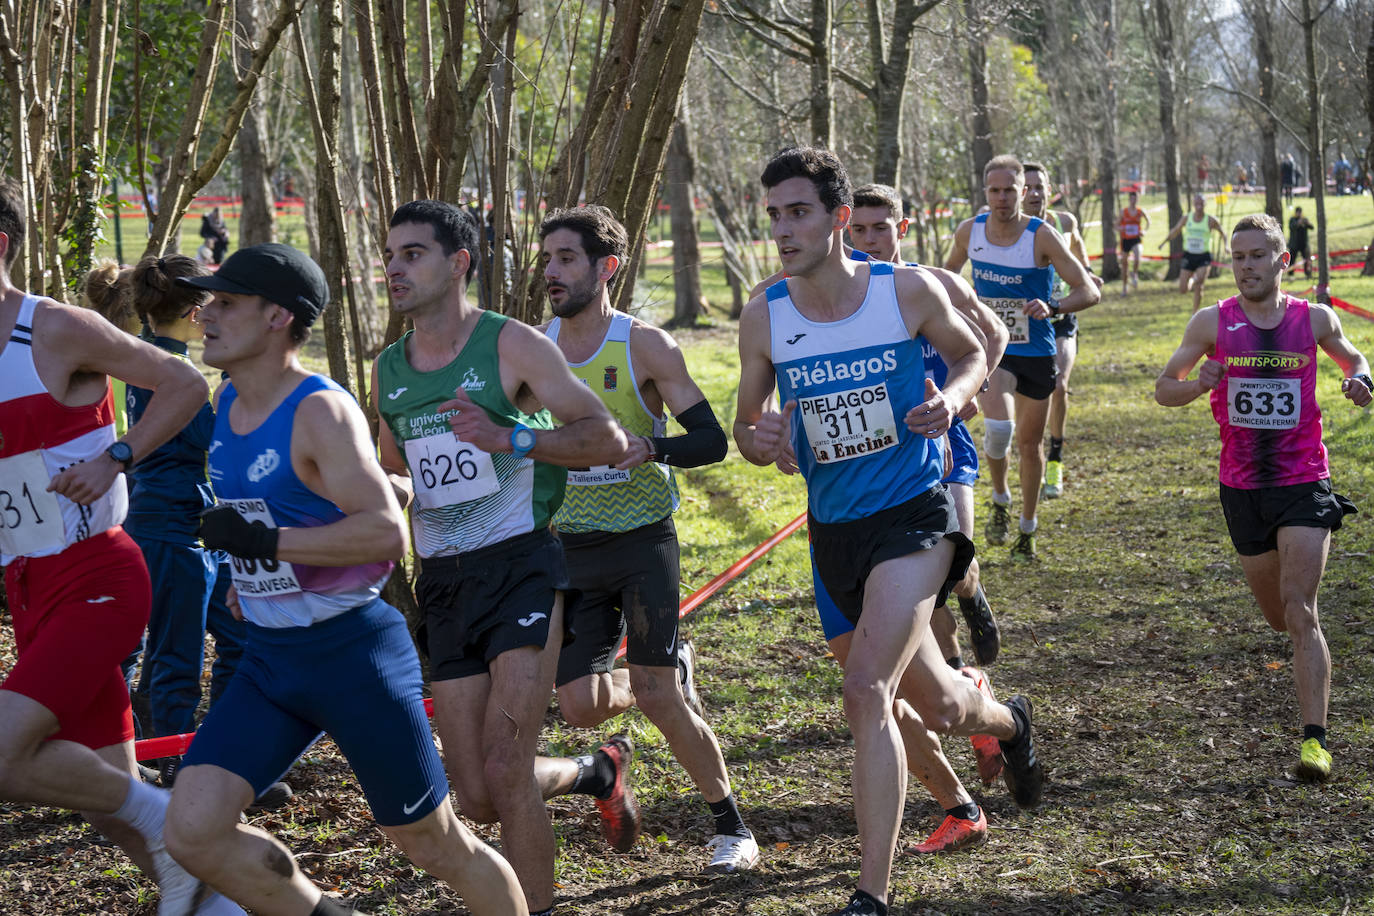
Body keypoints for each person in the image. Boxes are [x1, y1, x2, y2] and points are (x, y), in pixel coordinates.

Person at [159, 242, 528, 916]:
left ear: (277, 317)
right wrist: (253, 572)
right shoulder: (229, 402)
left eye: (225, 301)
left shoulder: (318, 410)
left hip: (351, 655)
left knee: (432, 843)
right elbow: (279, 515)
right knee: (192, 828)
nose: (204, 313)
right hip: (272, 662)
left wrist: (267, 542)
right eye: (206, 300)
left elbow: (386, 532)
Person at [736, 147, 1044, 916]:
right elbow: (748, 421)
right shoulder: (764, 312)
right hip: (832, 530)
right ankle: (1009, 722)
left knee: (864, 688)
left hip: (914, 514)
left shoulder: (903, 290)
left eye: (798, 211)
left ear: (840, 219)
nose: (782, 228)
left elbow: (974, 353)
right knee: (937, 705)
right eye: (774, 214)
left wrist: (957, 397)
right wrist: (761, 439)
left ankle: (869, 894)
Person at [373, 200, 631, 916]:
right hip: (446, 583)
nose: (394, 267)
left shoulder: (510, 346)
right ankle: (593, 771)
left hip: (520, 562)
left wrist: (511, 438)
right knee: (479, 796)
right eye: (389, 255)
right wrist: (375, 495)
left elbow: (605, 438)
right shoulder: (388, 369)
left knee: (506, 765)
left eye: (412, 254)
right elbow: (403, 470)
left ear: (459, 263)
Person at [0, 175, 240, 914]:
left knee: (8, 756)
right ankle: (222, 902)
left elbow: (183, 384)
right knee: (114, 801)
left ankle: (170, 821)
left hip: (99, 575)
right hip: (30, 590)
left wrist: (117, 456)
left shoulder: (54, 328)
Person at [536, 204, 762, 873]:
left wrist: (651, 445)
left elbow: (712, 441)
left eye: (566, 259)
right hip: (568, 546)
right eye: (547, 259)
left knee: (659, 696)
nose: (551, 271)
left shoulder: (645, 345)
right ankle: (615, 753)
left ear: (606, 267)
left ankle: (732, 828)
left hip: (642, 541)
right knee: (578, 707)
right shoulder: (531, 347)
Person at [1155, 213, 1371, 783]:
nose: (1246, 266)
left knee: (1301, 610)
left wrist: (1360, 383)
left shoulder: (1313, 318)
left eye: (1257, 256)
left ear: (1282, 261)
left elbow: (1356, 360)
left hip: (1304, 481)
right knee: (1278, 618)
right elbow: (1163, 387)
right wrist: (1198, 383)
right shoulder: (1212, 322)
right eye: (1239, 256)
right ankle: (1307, 678)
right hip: (1243, 487)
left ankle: (1314, 742)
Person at [120, 255, 256, 795]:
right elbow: (211, 439)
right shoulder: (174, 372)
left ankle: (213, 755)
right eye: (212, 302)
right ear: (195, 311)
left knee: (240, 638)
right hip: (170, 526)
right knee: (176, 655)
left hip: (194, 525)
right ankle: (178, 767)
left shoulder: (146, 359)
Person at [945, 154, 1101, 560]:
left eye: (1010, 190)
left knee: (1030, 446)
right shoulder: (969, 232)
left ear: (1024, 191)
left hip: (1037, 351)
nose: (1002, 198)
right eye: (994, 190)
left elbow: (1089, 291)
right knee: (998, 433)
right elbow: (942, 282)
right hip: (995, 352)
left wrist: (1054, 306)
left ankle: (1027, 529)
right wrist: (965, 305)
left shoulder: (1042, 235)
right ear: (985, 192)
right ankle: (999, 497)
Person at [1022, 162, 1104, 501]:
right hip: (1024, 323)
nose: (1034, 193)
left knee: (1059, 384)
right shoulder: (1010, 229)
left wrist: (1089, 276)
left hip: (1061, 317)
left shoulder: (1065, 223)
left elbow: (1082, 265)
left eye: (1040, 186)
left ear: (1048, 188)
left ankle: (1054, 457)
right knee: (1027, 399)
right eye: (1027, 187)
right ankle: (1031, 453)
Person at [1159, 194, 1227, 314]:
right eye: (1196, 203)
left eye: (1201, 203)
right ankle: (1191, 280)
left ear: (1205, 204)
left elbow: (1223, 233)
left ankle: (1195, 313)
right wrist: (1164, 242)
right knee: (1183, 289)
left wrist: (1226, 246)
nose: (1199, 206)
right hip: (1189, 255)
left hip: (1203, 256)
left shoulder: (1210, 220)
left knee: (1200, 283)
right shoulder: (1187, 218)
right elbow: (1175, 230)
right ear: (1194, 204)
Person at [1117, 190, 1150, 296]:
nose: (1133, 201)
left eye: (1135, 199)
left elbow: (1148, 221)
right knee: (1125, 264)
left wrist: (1145, 230)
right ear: (1129, 199)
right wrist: (1120, 228)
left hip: (1136, 239)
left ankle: (1135, 274)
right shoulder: (1123, 212)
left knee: (1138, 255)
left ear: (1137, 199)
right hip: (1126, 240)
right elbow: (1116, 225)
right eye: (1131, 199)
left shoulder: (1140, 211)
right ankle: (1124, 287)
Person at [1287, 207, 1314, 279]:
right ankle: (1290, 274)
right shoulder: (1292, 219)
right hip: (1294, 245)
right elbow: (1291, 227)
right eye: (1298, 212)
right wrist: (1298, 223)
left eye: (1300, 212)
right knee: (1292, 260)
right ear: (1295, 212)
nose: (1299, 213)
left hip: (1303, 244)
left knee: (1306, 260)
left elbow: (1312, 227)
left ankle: (1308, 274)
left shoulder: (1304, 219)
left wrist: (1307, 223)